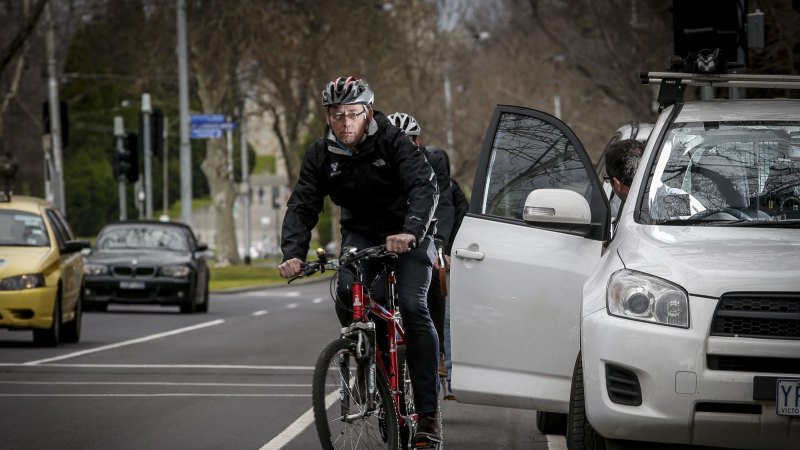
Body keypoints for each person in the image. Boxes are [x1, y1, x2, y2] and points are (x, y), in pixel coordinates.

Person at [278, 77, 442, 444]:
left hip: (409, 233)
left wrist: (411, 230)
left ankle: (429, 414)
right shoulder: (321, 154)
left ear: (367, 112)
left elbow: (424, 186)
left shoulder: (393, 141)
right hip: (362, 235)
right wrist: (292, 253)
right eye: (338, 116)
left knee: (414, 309)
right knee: (345, 293)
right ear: (328, 116)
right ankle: (367, 359)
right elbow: (303, 205)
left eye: (353, 114)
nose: (346, 122)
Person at [386, 112, 452, 379]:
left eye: (409, 139)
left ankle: (436, 354)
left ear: (418, 141)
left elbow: (444, 207)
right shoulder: (377, 163)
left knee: (433, 279)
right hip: (390, 237)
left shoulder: (431, 163)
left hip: (426, 234)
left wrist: (439, 246)